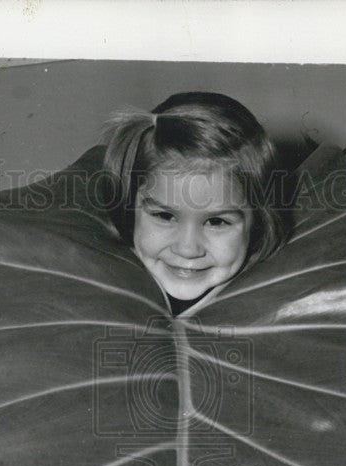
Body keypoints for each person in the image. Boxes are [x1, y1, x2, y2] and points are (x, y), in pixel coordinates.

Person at [100, 91, 289, 315]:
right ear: (129, 208)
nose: (188, 249)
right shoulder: (99, 284)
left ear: (258, 222)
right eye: (164, 216)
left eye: (216, 222)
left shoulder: (272, 300)